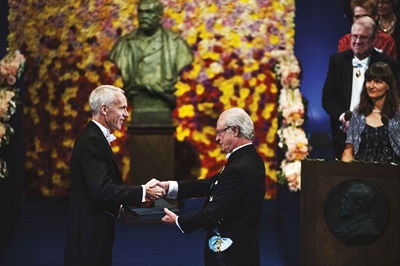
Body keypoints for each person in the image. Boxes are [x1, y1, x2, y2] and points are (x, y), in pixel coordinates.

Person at [64, 85, 165, 266]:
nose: (126, 114)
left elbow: (97, 188)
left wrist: (122, 207)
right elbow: (101, 190)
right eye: (122, 108)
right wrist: (143, 191)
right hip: (90, 230)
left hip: (96, 226)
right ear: (104, 109)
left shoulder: (95, 137)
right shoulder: (92, 140)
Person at [158, 107, 266, 266]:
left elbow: (211, 214)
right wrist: (168, 187)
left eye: (220, 132)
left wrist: (179, 220)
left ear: (234, 131)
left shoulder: (239, 167)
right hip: (243, 246)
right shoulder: (248, 159)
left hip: (231, 254)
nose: (217, 138)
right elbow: (211, 184)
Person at [322, 16, 400, 159]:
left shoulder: (389, 65)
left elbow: (393, 101)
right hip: (342, 136)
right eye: (355, 36)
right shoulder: (337, 61)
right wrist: (344, 118)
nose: (357, 41)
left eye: (363, 37)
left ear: (373, 39)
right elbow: (328, 98)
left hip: (377, 138)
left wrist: (369, 122)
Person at [109, 0, 193, 125]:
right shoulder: (124, 45)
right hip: (138, 105)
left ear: (159, 15)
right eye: (141, 12)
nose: (144, 16)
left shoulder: (176, 44)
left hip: (163, 106)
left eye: (149, 12)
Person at [342, 62, 400, 163]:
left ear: (388, 86)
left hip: (391, 175)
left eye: (377, 82)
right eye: (369, 81)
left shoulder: (397, 114)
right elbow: (349, 149)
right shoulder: (357, 114)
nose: (371, 86)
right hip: (362, 174)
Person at [334, 181, 379, 245]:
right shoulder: (349, 228)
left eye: (346, 199)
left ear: (358, 204)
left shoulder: (365, 232)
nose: (341, 201)